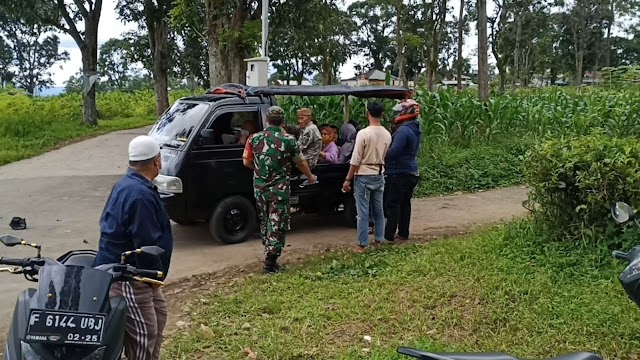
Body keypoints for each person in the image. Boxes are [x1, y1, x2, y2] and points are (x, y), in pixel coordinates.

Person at [93, 135, 173, 360]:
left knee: (158, 317)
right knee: (144, 335)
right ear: (157, 161)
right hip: (129, 275)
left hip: (140, 274)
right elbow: (146, 243)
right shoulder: (138, 194)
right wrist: (150, 276)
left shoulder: (130, 185)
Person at [243, 106, 317, 273]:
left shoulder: (253, 139)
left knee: (265, 219)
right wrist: (310, 177)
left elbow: (246, 161)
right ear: (283, 121)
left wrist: (260, 171)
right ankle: (270, 261)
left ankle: (267, 251)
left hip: (260, 188)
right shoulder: (288, 140)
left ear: (267, 120)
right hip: (279, 189)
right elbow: (301, 162)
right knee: (278, 222)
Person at [342, 101, 392, 253]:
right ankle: (379, 239)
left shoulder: (363, 133)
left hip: (363, 175)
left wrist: (348, 179)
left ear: (367, 113)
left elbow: (356, 159)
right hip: (379, 173)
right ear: (382, 115)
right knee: (378, 209)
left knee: (363, 212)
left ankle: (362, 244)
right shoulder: (387, 133)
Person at [384, 99, 423, 242]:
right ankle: (403, 233)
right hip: (411, 171)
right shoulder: (415, 128)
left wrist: (381, 154)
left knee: (393, 204)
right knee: (405, 204)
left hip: (398, 172)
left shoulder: (404, 130)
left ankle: (388, 235)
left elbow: (394, 151)